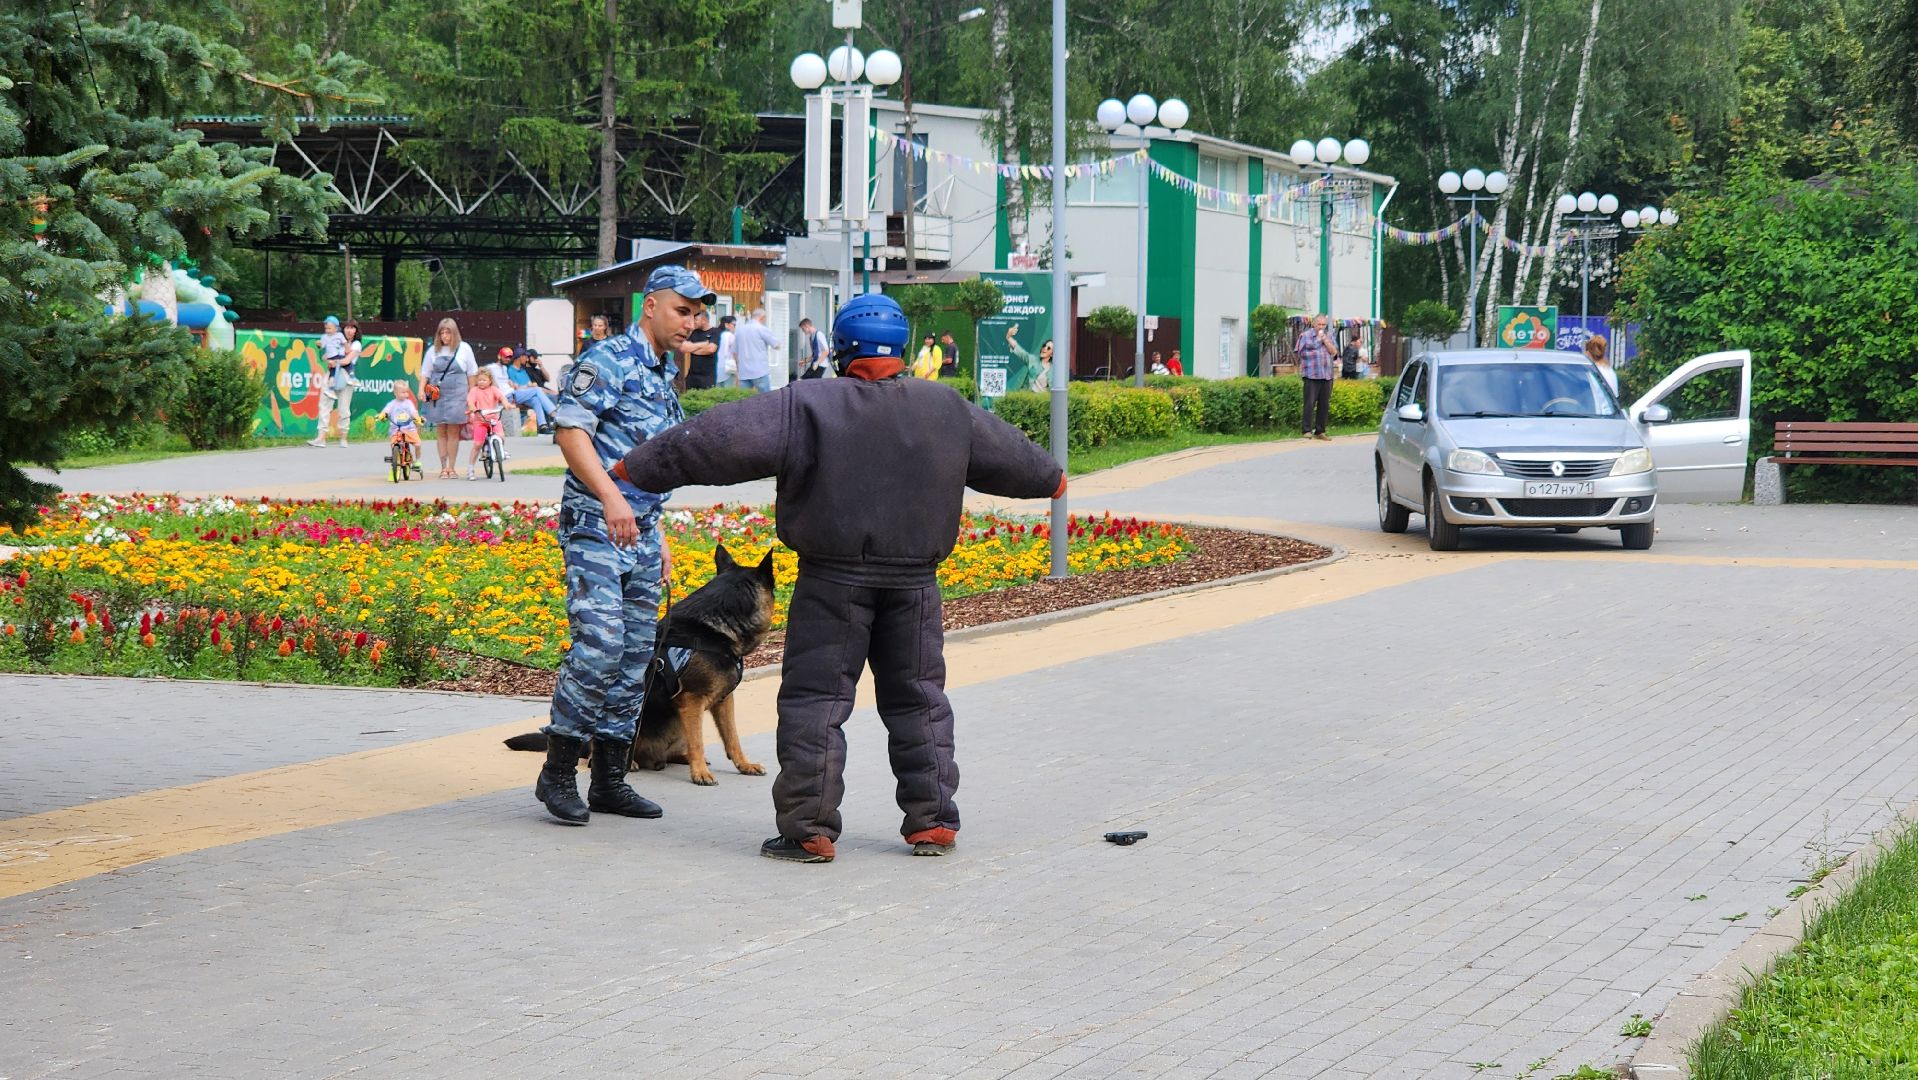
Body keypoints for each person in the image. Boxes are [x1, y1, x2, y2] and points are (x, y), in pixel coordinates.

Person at [613, 293, 1067, 863]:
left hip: (831, 583)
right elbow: (1030, 466)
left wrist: (637, 468)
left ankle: (809, 831)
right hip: (916, 585)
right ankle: (932, 823)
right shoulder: (947, 408)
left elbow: (717, 440)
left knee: (815, 702)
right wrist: (1052, 480)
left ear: (841, 346)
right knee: (920, 700)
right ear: (902, 347)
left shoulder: (807, 405)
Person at [532, 264, 714, 826]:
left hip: (640, 533)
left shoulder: (664, 373)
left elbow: (651, 464)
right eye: (683, 310)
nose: (693, 321)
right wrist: (611, 498)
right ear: (651, 305)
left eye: (697, 312)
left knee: (636, 657)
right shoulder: (606, 360)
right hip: (595, 523)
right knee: (601, 646)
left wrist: (656, 535)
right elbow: (570, 433)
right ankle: (558, 771)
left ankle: (610, 780)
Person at [420, 318, 479, 477]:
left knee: (453, 431)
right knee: (441, 430)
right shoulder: (433, 350)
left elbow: (472, 373)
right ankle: (443, 466)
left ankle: (451, 467)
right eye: (442, 333)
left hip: (458, 394)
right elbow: (425, 373)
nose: (445, 336)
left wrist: (472, 395)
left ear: (454, 333)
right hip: (438, 394)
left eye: (448, 332)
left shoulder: (464, 348)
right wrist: (421, 390)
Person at [310, 317, 361, 446]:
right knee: (324, 404)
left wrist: (335, 362)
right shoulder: (335, 339)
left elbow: (347, 360)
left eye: (352, 328)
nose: (349, 331)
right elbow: (325, 356)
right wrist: (328, 359)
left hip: (345, 376)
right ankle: (321, 437)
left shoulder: (356, 344)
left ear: (356, 331)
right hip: (332, 374)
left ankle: (343, 437)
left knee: (343, 408)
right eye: (347, 327)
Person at [1297, 314, 1336, 440]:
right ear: (1313, 324)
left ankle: (1320, 431)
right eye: (1319, 324)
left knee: (1324, 404)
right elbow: (1301, 351)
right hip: (1311, 375)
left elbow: (1334, 352)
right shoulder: (1305, 336)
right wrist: (1318, 340)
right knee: (1309, 403)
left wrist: (1324, 340)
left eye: (1323, 325)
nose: (1321, 327)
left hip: (1326, 375)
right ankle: (1306, 430)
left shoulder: (1328, 336)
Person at [466, 370, 508, 480]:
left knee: (501, 436)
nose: (481, 382)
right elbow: (470, 402)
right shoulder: (474, 391)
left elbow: (502, 398)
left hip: (494, 419)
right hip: (480, 420)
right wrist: (473, 408)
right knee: (477, 444)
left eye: (484, 380)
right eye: (479, 380)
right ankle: (470, 469)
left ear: (490, 381)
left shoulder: (494, 390)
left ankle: (501, 450)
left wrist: (506, 404)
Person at [506, 348, 557, 433]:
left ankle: (543, 426)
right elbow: (516, 387)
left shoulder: (523, 370)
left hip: (524, 395)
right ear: (520, 357)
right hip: (514, 396)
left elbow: (529, 384)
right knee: (536, 390)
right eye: (525, 357)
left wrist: (531, 386)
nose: (526, 359)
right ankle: (553, 414)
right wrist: (530, 387)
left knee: (536, 400)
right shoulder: (510, 370)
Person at [731, 308, 780, 392]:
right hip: (760, 371)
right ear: (762, 317)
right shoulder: (761, 329)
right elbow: (776, 345)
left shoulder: (739, 330)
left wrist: (738, 367)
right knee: (765, 399)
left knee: (744, 401)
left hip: (743, 372)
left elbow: (734, 352)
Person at [680, 311, 722, 390]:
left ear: (704, 320)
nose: (694, 322)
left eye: (696, 320)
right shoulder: (694, 332)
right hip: (692, 376)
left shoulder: (715, 332)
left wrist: (692, 349)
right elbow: (684, 348)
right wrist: (703, 344)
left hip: (707, 377)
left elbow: (711, 349)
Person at [1005, 325, 1052, 392]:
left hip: (1043, 399)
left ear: (1052, 354)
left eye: (1048, 348)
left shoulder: (1053, 369)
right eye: (1044, 346)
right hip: (1028, 397)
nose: (1045, 348)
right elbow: (1020, 351)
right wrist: (1009, 337)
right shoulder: (1032, 360)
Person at [381, 383, 423, 450]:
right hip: (396, 430)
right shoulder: (392, 404)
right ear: (395, 393)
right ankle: (396, 455)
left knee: (418, 444)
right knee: (394, 445)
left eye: (407, 392)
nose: (406, 394)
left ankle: (417, 459)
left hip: (409, 429)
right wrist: (382, 415)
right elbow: (386, 410)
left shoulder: (409, 403)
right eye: (403, 392)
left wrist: (418, 419)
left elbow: (413, 412)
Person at [716, 314, 738, 386]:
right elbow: (735, 352)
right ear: (726, 325)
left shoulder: (715, 334)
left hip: (716, 369)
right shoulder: (729, 335)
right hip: (728, 368)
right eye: (734, 325)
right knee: (730, 394)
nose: (735, 327)